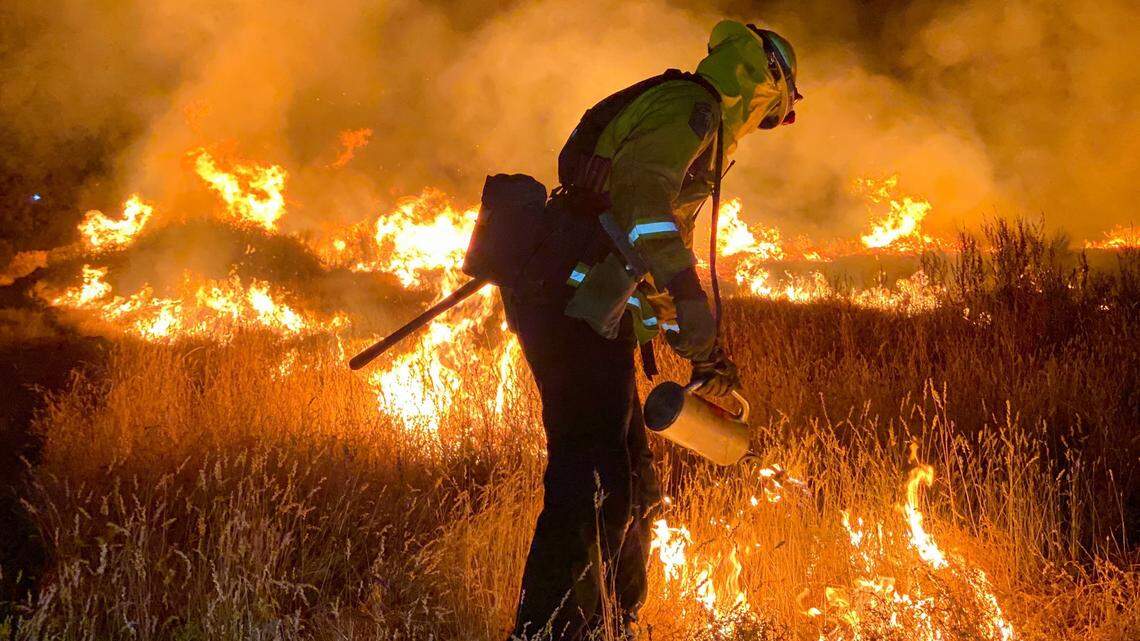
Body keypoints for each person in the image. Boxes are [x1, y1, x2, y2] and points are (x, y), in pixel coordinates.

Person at [504, 19, 800, 640]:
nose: (773, 123)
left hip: (589, 306)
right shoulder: (692, 107)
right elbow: (641, 203)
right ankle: (550, 631)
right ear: (767, 82)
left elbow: (663, 246)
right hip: (572, 301)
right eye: (778, 110)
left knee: (634, 481)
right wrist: (691, 297)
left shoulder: (702, 126)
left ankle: (615, 623)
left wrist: (703, 351)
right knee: (592, 479)